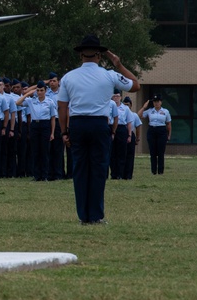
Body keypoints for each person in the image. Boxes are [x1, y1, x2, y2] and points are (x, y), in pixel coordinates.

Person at [57, 35, 139, 225]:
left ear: (80, 56)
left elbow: (62, 107)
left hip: (77, 124)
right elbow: (136, 85)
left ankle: (83, 216)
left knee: (79, 169)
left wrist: (64, 132)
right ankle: (95, 215)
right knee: (99, 169)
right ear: (100, 55)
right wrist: (118, 64)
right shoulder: (109, 75)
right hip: (100, 124)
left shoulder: (68, 77)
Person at [140, 94, 172, 175]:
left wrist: (169, 135)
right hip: (152, 130)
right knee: (152, 152)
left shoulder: (165, 111)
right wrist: (144, 107)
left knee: (161, 152)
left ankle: (160, 171)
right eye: (154, 102)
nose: (156, 103)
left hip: (161, 130)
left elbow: (168, 124)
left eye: (158, 101)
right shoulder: (150, 110)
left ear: (161, 102)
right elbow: (139, 115)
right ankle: (153, 171)